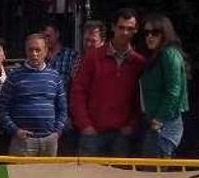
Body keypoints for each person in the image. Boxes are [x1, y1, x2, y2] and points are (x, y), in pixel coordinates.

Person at [72, 9, 146, 157]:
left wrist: (131, 126)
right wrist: (85, 124)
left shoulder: (139, 62)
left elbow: (141, 99)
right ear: (113, 27)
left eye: (130, 29)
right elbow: (78, 91)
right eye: (121, 27)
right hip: (93, 132)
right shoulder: (93, 57)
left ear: (136, 31)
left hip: (122, 135)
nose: (125, 32)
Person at [0, 34, 67, 157]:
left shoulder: (55, 76)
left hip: (49, 141)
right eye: (31, 50)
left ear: (46, 51)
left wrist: (57, 132)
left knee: (48, 176)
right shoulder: (14, 77)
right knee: (20, 176)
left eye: (38, 50)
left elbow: (62, 108)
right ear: (25, 51)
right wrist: (15, 130)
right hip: (23, 141)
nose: (34, 54)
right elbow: (1, 108)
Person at [139, 14, 189, 158]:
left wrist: (159, 119)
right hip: (157, 120)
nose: (149, 37)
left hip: (166, 123)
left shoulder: (169, 54)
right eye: (146, 33)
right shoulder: (156, 56)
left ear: (164, 34)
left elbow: (174, 90)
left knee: (157, 169)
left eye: (155, 33)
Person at [43, 22, 79, 155]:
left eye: (48, 35)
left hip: (65, 117)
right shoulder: (39, 58)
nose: (46, 39)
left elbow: (76, 87)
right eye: (43, 37)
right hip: (44, 117)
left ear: (57, 35)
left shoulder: (71, 56)